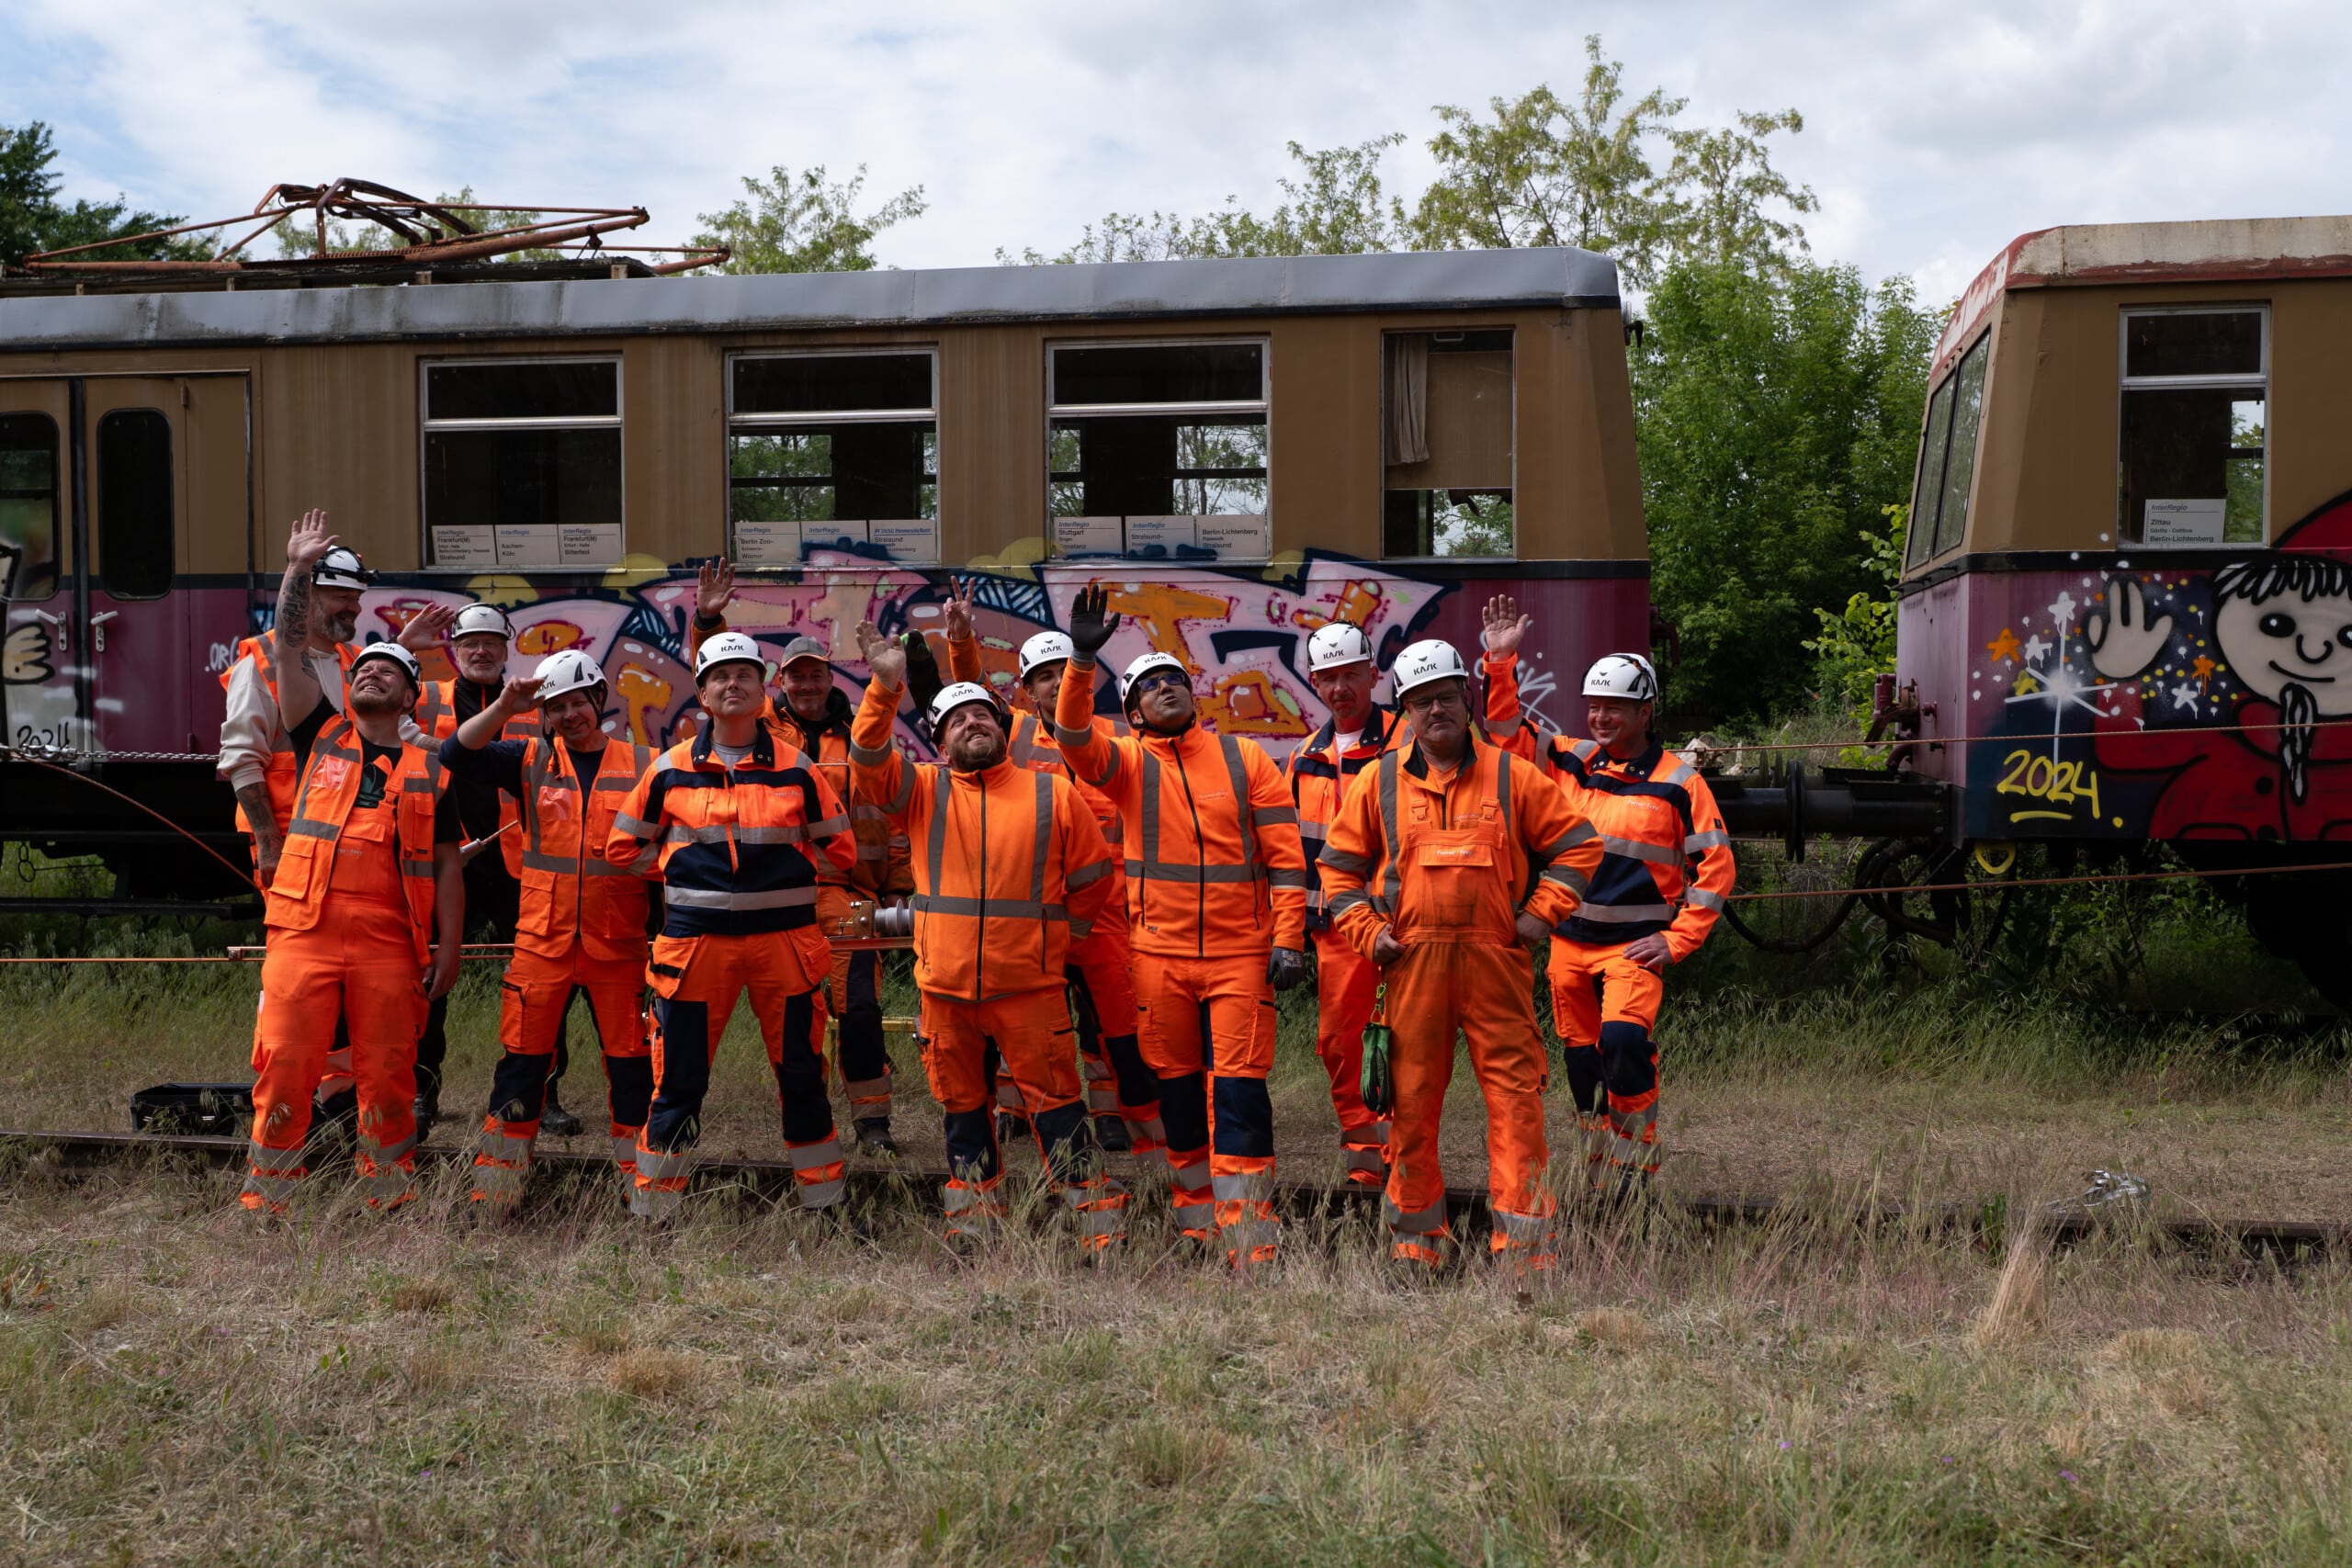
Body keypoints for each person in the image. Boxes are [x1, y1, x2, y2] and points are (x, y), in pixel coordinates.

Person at [1318, 639, 1603, 1270]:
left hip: (1496, 963)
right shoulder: (1377, 780)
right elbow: (1336, 868)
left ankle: (1525, 1253)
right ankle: (1419, 1245)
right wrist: (1368, 934)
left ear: (1466, 701)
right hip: (1410, 964)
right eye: (1421, 702)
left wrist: (1537, 916)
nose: (1435, 710)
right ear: (1406, 713)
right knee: (1411, 1107)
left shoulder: (1511, 774)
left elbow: (1580, 845)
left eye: (1446, 696)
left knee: (1516, 1103)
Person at [1052, 583, 1310, 1267]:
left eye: (1176, 679)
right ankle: (1198, 1226)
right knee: (1178, 1096)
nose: (1167, 688)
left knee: (1240, 1092)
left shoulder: (1244, 758)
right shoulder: (1127, 765)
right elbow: (1073, 738)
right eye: (1151, 684)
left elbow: (1285, 859)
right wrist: (1082, 662)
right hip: (1159, 959)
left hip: (1239, 957)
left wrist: (1288, 938)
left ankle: (1250, 1238)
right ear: (1133, 710)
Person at [850, 620, 1129, 1250]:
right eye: (957, 720)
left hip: (1030, 990)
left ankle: (1099, 1236)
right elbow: (866, 759)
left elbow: (1092, 882)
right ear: (941, 742)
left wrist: (1057, 944)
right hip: (945, 994)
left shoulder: (1051, 792)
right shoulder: (920, 790)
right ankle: (976, 1231)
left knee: (1060, 1113)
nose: (972, 723)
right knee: (964, 1114)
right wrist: (884, 686)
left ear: (1003, 731)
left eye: (983, 716)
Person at [242, 513, 463, 1214]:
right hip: (303, 930)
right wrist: (297, 570)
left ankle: (387, 1196)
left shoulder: (430, 766)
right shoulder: (318, 734)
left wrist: (449, 951)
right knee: (285, 1062)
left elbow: (451, 866)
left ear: (408, 697)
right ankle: (270, 1198)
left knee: (389, 1074)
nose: (369, 671)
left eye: (387, 671)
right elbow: (286, 647)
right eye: (362, 666)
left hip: (389, 941)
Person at [603, 631, 858, 1224]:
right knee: (679, 1081)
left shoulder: (799, 771)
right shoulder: (667, 771)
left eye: (744, 674)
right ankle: (653, 1212)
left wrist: (781, 880)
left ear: (763, 690)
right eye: (720, 676)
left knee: (802, 1075)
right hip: (694, 950)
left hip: (786, 948)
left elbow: (840, 852)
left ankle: (824, 1206)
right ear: (702, 695)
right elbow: (622, 849)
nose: (733, 684)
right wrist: (676, 869)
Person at [1482, 614, 1736, 1191]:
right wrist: (1501, 663)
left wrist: (1677, 939)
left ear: (1645, 714)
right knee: (1581, 1060)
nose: (1599, 716)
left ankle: (1636, 1163)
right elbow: (1504, 734)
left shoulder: (1680, 783)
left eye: (1613, 708)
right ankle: (1600, 1168)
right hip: (1569, 945)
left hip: (1634, 949)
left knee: (1623, 1043)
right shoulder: (1572, 759)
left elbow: (1717, 868)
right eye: (1593, 705)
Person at [688, 561, 913, 1158]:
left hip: (852, 897)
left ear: (827, 678)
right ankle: (808, 1115)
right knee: (796, 1014)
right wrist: (709, 620)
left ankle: (872, 1122)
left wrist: (899, 886)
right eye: (796, 677)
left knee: (860, 1007)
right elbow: (716, 679)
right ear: (780, 683)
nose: (807, 685)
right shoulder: (761, 729)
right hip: (777, 894)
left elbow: (890, 815)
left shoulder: (861, 734)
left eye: (815, 675)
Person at [217, 519, 434, 1133]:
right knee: (293, 983)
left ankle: (335, 1098)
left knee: (352, 987)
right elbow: (242, 758)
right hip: (292, 853)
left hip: (355, 857)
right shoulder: (262, 658)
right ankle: (289, 1094)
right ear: (310, 597)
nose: (353, 611)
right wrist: (267, 842)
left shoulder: (348, 660)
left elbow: (376, 734)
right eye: (343, 600)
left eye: (357, 602)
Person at [938, 580, 1164, 1165]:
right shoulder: (1009, 732)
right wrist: (960, 639)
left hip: (1102, 906)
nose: (1058, 682)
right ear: (1027, 688)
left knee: (1116, 1021)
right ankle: (1013, 1112)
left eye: (1066, 671)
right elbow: (969, 695)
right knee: (1030, 1018)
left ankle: (1127, 1120)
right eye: (1045, 675)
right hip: (1028, 908)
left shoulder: (1113, 738)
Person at [441, 650, 659, 1214]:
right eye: (557, 707)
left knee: (633, 1068)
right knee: (522, 1065)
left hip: (618, 945)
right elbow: (455, 753)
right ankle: (497, 1194)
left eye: (578, 703)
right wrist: (507, 706)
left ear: (599, 702)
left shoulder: (645, 764)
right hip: (542, 944)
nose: (569, 715)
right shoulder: (528, 758)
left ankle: (646, 1194)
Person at [410, 602, 563, 1139]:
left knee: (539, 982)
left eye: (491, 644)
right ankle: (420, 1091)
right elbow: (368, 703)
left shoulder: (534, 701)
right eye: (470, 643)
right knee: (430, 976)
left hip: (519, 858)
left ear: (507, 648)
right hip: (444, 856)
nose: (480, 651)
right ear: (454, 649)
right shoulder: (425, 697)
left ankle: (545, 1094)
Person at [1283, 621, 1408, 1189]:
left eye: (1351, 675)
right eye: (1328, 678)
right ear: (1313, 682)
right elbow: (1289, 850)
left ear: (1374, 675)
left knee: (1409, 1044)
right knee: (1338, 1042)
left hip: (1405, 923)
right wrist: (1291, 932)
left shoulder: (1407, 741)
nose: (1340, 688)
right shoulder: (1305, 757)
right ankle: (1366, 1156)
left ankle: (1407, 1162)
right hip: (1337, 929)